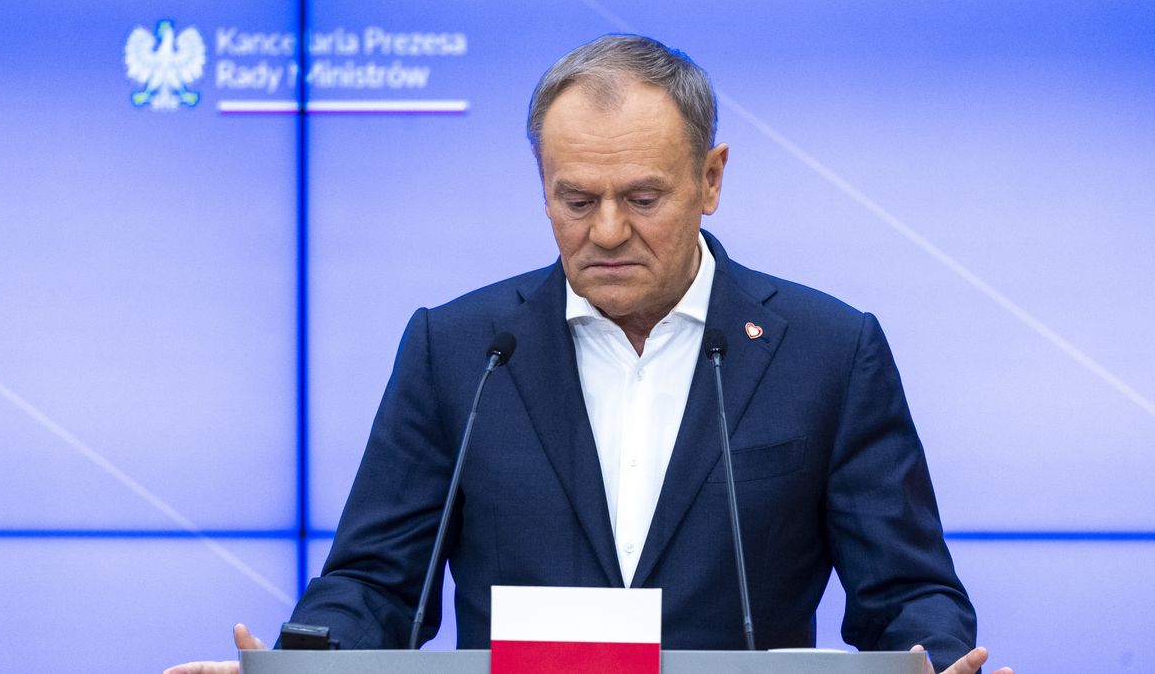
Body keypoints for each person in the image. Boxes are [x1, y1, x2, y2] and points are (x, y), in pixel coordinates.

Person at [167, 35, 1011, 674]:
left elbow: (908, 593)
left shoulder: (828, 351)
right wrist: (304, 662)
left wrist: (932, 659)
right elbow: (378, 584)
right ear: (542, 182)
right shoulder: (458, 349)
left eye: (643, 197)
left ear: (711, 179)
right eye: (576, 199)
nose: (606, 231)